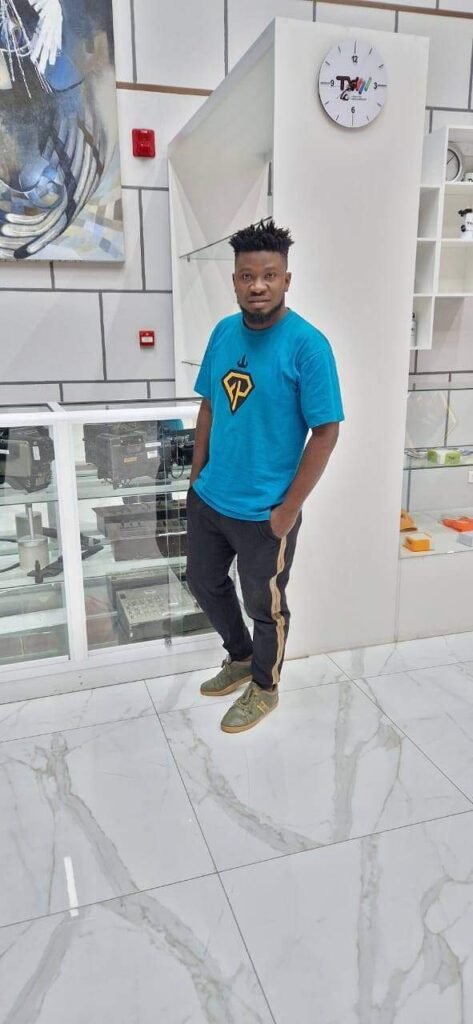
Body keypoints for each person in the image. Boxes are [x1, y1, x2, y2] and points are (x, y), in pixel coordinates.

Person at [186, 219, 344, 734]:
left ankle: (264, 686)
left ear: (286, 280)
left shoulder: (308, 346)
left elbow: (325, 433)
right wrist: (196, 477)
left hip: (264, 514)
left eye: (269, 275)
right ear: (234, 281)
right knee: (204, 582)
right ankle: (239, 658)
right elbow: (210, 405)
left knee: (265, 607)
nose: (258, 285)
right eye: (247, 276)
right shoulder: (222, 333)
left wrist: (287, 511)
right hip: (212, 500)